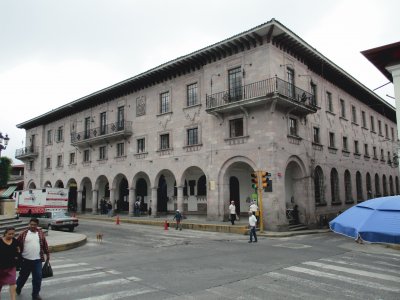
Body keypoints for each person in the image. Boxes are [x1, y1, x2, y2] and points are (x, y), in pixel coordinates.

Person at [16, 218, 50, 300]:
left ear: (37, 225)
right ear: (29, 224)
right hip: (25, 260)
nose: (32, 226)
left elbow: (45, 244)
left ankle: (35, 294)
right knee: (23, 277)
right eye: (31, 224)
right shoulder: (23, 234)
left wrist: (47, 254)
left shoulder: (40, 233)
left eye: (34, 225)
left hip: (37, 260)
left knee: (38, 277)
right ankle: (18, 287)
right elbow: (16, 244)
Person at [0, 227, 20, 300]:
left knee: (13, 283)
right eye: (9, 234)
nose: (11, 235)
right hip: (1, 267)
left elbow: (18, 249)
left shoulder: (15, 241)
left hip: (11, 267)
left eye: (13, 234)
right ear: (5, 233)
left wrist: (17, 256)